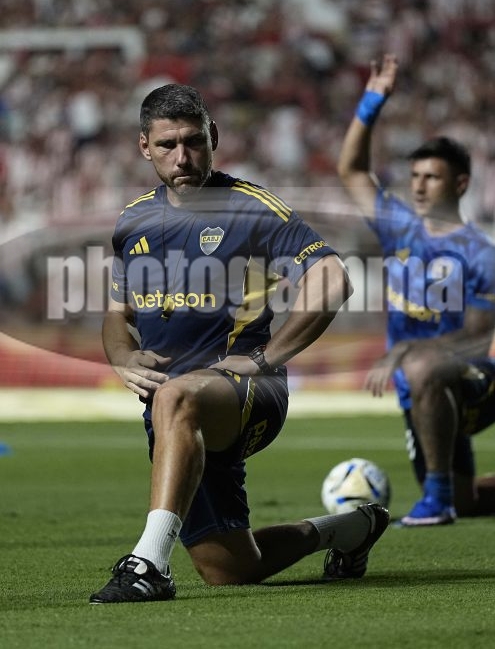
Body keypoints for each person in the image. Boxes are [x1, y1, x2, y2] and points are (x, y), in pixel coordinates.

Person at [90, 83, 390, 603]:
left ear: (213, 136)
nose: (182, 157)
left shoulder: (250, 207)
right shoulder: (132, 221)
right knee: (228, 567)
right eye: (167, 145)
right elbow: (118, 314)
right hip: (174, 412)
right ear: (144, 147)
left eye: (193, 141)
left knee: (175, 395)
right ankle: (351, 528)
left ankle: (148, 566)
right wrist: (122, 355)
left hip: (248, 392)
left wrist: (266, 357)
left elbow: (332, 278)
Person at [337, 54, 495, 526]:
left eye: (433, 177)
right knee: (469, 501)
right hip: (419, 388)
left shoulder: (480, 254)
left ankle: (436, 501)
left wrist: (409, 350)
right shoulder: (399, 228)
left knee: (424, 365)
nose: (420, 187)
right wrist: (371, 102)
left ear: (460, 184)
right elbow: (352, 171)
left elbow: (476, 336)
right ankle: (450, 496)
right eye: (416, 177)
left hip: (472, 383)